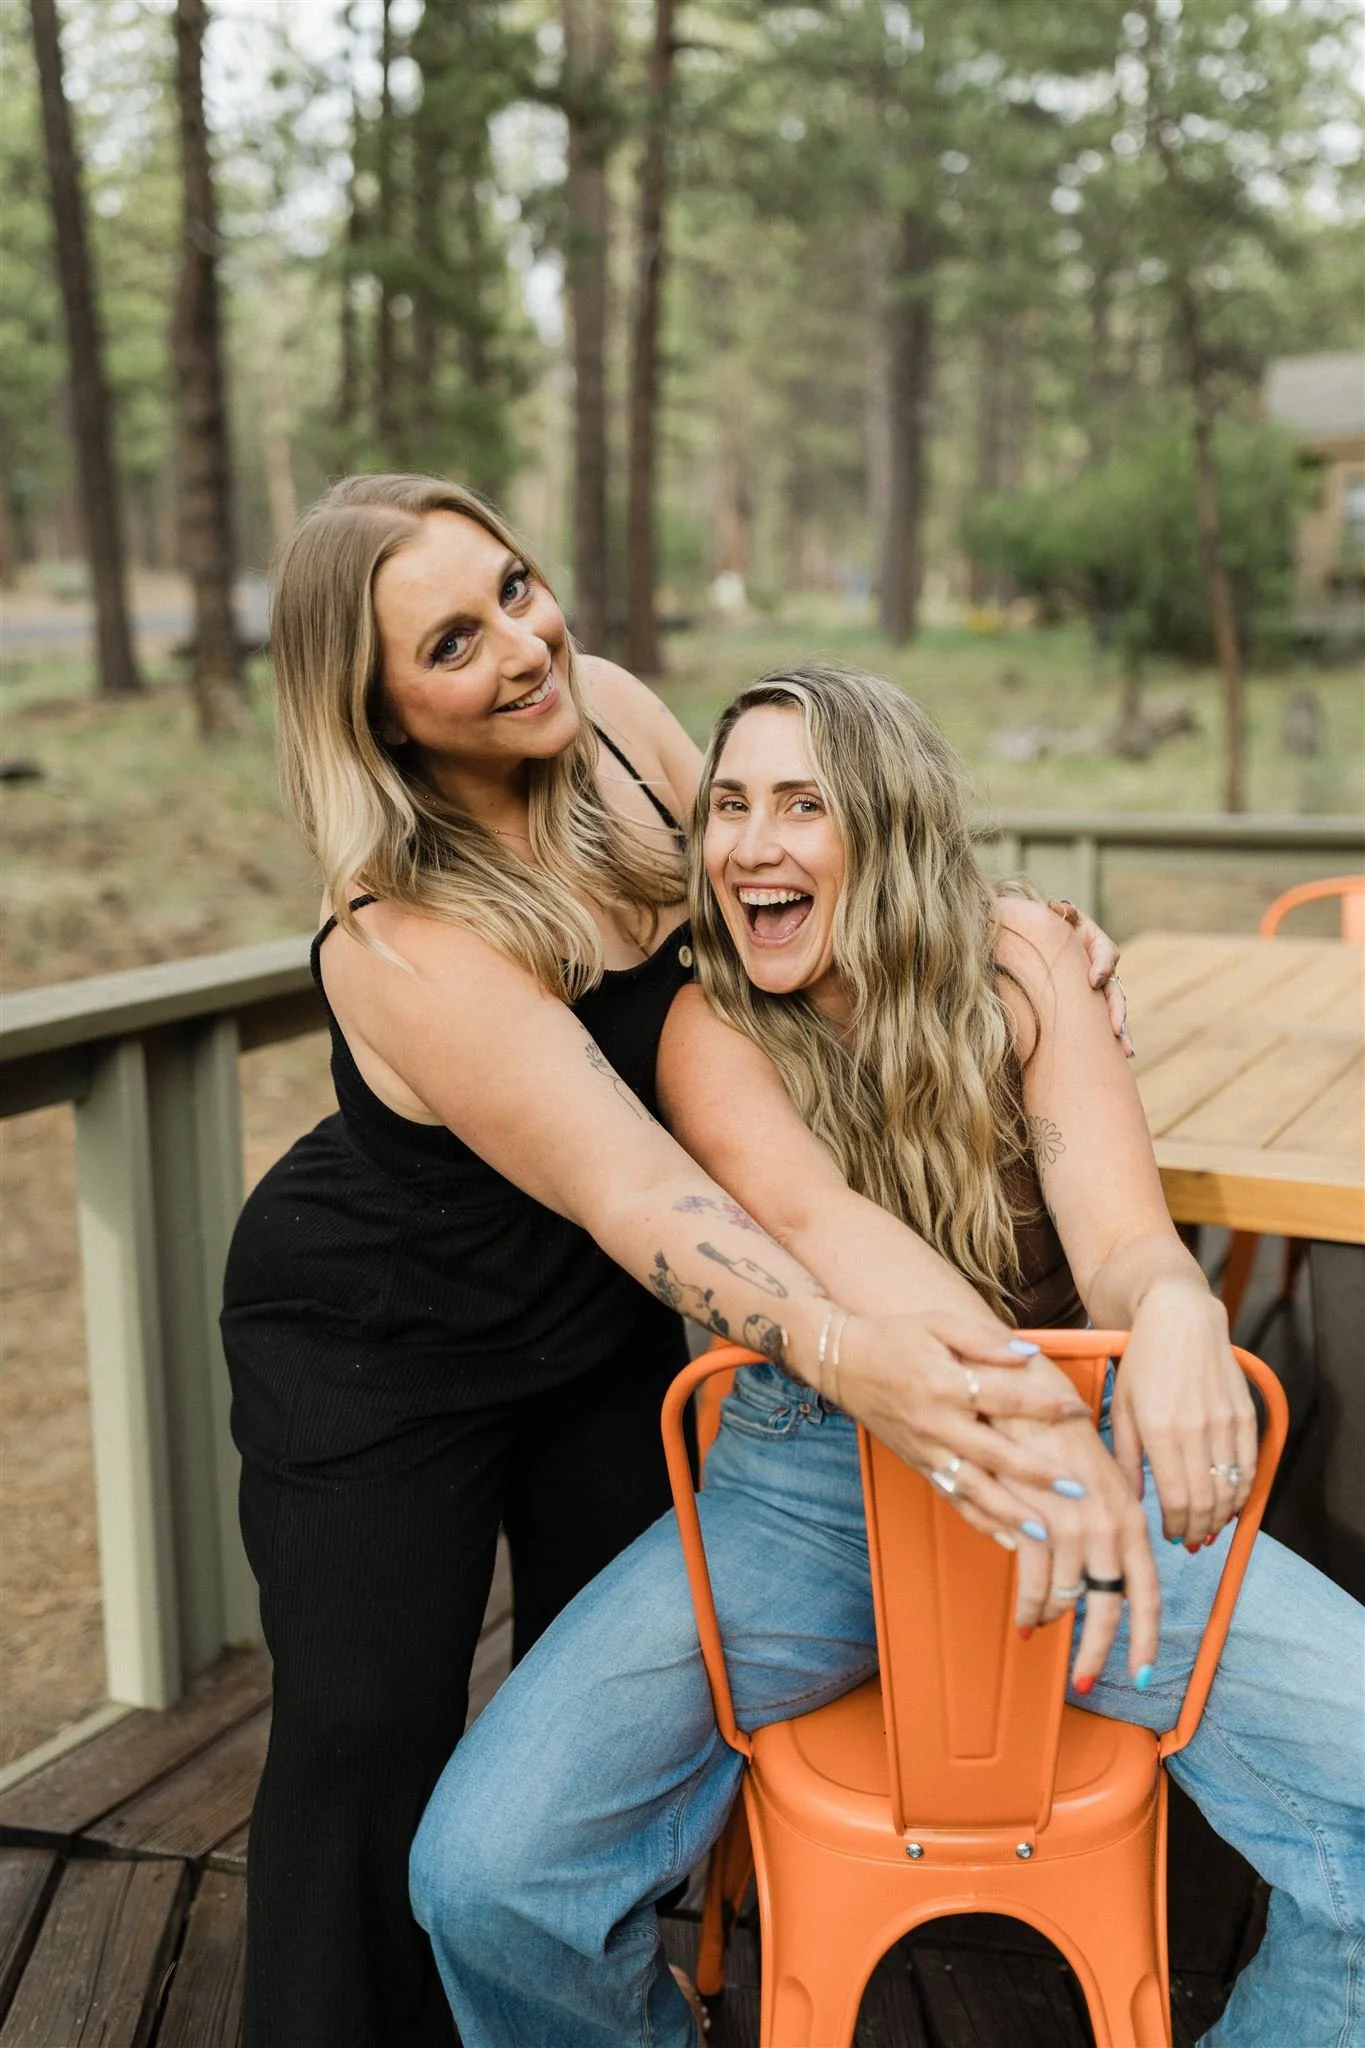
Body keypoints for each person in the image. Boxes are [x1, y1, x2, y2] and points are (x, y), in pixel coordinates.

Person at [222, 487, 1124, 2047]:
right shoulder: (399, 936)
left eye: (515, 586)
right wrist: (848, 1349)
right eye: (454, 640)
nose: (525, 643)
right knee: (368, 1731)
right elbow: (638, 1185)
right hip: (392, 1319)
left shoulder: (625, 735)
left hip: (615, 1313)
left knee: (609, 1732)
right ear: (375, 712)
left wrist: (1009, 928)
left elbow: (803, 877)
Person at [410, 664, 1365, 2048]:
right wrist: (1037, 1432)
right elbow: (826, 1229)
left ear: (892, 822)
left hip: (1084, 1470)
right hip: (812, 1488)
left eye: (804, 803)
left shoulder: (1026, 961)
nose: (750, 843)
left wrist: (1173, 1314)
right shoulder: (707, 1028)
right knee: (489, 1874)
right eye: (728, 804)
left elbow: (1124, 1237)